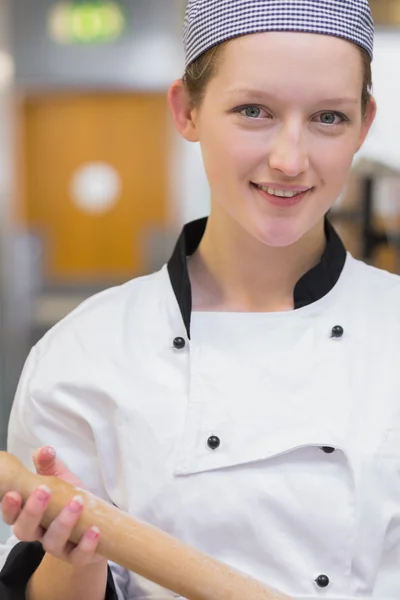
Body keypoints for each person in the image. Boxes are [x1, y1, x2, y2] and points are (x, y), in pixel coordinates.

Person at [0, 0, 398, 598]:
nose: (289, 160)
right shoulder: (84, 354)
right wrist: (75, 557)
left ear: (364, 124)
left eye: (328, 118)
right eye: (253, 111)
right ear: (187, 110)